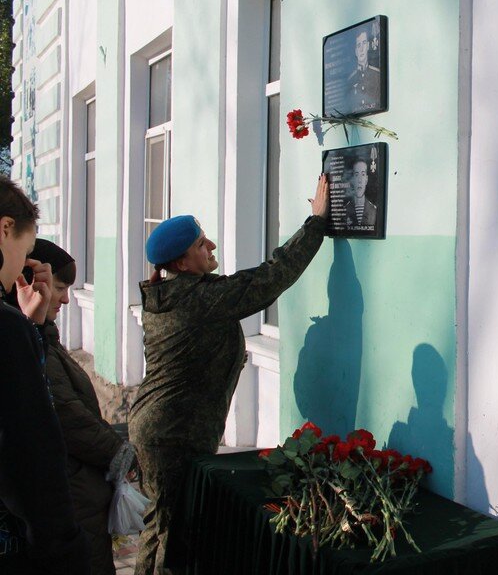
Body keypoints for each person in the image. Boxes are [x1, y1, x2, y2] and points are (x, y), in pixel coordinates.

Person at [129, 174, 330, 575]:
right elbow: (269, 278)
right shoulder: (198, 299)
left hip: (161, 426)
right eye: (202, 244)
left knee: (164, 520)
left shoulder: (170, 295)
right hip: (173, 431)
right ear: (183, 263)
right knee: (172, 528)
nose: (212, 246)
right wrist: (316, 222)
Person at [0, 176, 91, 575]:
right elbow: (32, 456)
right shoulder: (6, 330)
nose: (25, 263)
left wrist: (31, 325)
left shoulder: (14, 327)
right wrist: (65, 554)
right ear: (5, 229)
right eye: (26, 248)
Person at [29, 239, 136, 575]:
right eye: (60, 288)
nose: (64, 299)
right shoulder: (33, 345)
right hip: (71, 494)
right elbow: (66, 416)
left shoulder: (44, 339)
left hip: (78, 492)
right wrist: (118, 452)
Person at [347, 29, 380, 112]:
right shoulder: (350, 80)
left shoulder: (377, 75)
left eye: (364, 43)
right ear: (355, 51)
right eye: (358, 45)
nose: (361, 49)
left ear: (368, 46)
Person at [343, 159, 377, 228]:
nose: (359, 180)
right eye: (356, 175)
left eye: (363, 174)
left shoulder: (374, 210)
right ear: (352, 180)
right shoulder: (344, 210)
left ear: (366, 179)